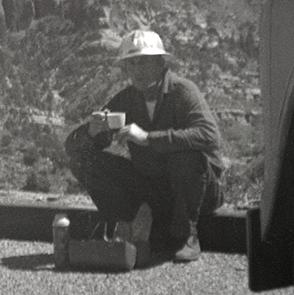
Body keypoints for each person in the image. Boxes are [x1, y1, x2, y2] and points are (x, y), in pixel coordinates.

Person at [64, 28, 224, 263]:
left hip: (198, 191)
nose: (137, 70)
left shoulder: (182, 91)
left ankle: (186, 235)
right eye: (132, 64)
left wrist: (148, 138)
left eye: (144, 63)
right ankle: (126, 223)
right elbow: (73, 148)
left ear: (160, 64)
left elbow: (210, 136)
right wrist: (91, 131)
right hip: (156, 189)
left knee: (185, 155)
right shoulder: (128, 99)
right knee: (85, 160)